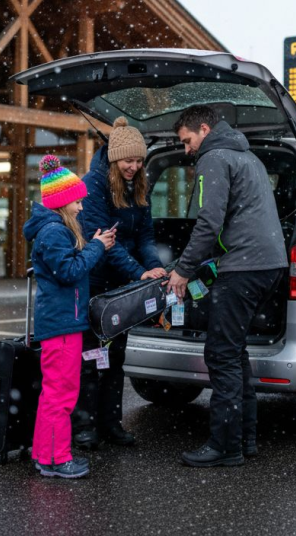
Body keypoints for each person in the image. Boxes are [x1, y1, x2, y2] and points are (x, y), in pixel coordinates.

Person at [166, 105, 288, 467]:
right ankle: (244, 439)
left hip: (243, 267)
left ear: (204, 129)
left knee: (220, 354)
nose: (187, 149)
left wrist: (182, 270)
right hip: (269, 265)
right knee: (234, 352)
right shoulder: (248, 157)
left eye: (187, 140)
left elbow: (209, 222)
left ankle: (224, 446)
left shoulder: (214, 158)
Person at [72, 117, 166, 450]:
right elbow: (104, 242)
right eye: (128, 160)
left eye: (139, 161)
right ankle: (84, 426)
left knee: (115, 356)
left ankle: (111, 423)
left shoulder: (138, 185)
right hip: (96, 283)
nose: (134, 167)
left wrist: (154, 268)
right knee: (90, 357)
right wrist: (139, 273)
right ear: (114, 158)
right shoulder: (93, 185)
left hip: (121, 287)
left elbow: (145, 236)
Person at [22, 155, 115, 479]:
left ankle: (45, 455)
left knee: (55, 394)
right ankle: (57, 459)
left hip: (63, 322)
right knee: (61, 395)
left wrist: (94, 246)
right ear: (62, 203)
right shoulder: (54, 232)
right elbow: (70, 271)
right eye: (76, 201)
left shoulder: (54, 230)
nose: (80, 207)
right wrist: (96, 247)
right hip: (62, 325)